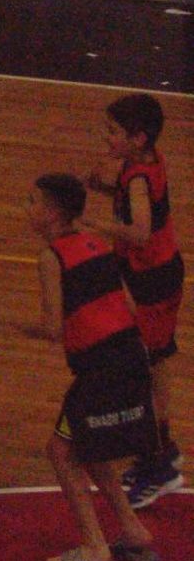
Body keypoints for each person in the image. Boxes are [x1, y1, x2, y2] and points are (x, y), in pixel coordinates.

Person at [0, 173, 159, 561]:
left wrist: (7, 322)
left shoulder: (52, 257)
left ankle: (94, 546)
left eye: (32, 201)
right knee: (91, 445)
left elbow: (53, 328)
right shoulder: (96, 243)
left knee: (61, 451)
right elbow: (128, 303)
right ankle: (133, 530)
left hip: (99, 369)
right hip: (131, 358)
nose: (26, 208)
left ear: (52, 213)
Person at [82, 94, 184, 507]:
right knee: (152, 363)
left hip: (151, 280)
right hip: (154, 275)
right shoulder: (144, 162)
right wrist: (107, 186)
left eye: (113, 131)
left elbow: (141, 231)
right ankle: (162, 447)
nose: (106, 137)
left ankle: (160, 466)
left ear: (137, 138)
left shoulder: (139, 175)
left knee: (144, 369)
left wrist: (95, 223)